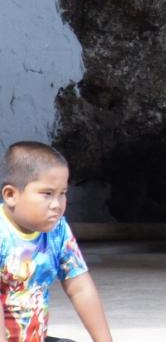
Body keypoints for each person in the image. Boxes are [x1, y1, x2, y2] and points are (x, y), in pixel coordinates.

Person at [2, 141, 113, 342]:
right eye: (47, 194)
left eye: (62, 194)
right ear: (11, 195)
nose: (57, 205)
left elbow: (80, 287)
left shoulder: (58, 229)